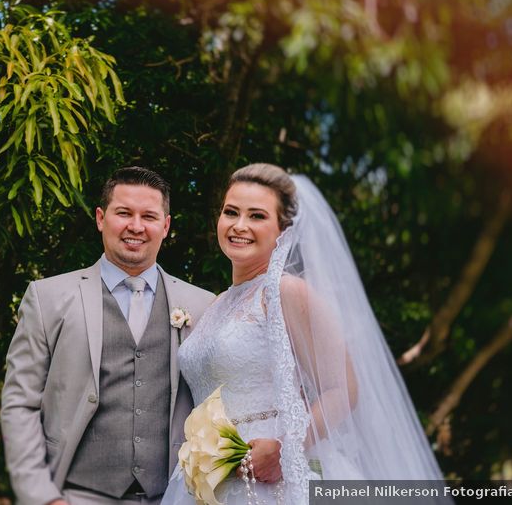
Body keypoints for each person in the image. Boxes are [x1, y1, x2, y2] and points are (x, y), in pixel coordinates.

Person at [162, 163, 447, 505]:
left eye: (257, 216)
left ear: (284, 229)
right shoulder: (219, 303)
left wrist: (285, 449)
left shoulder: (287, 291)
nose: (239, 226)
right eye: (231, 212)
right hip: (205, 481)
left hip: (270, 480)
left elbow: (342, 388)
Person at [1, 167, 218, 505]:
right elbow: (20, 403)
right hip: (76, 495)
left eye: (148, 216)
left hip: (172, 496)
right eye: (124, 213)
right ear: (101, 218)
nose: (135, 226)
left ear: (166, 226)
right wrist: (42, 497)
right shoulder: (48, 298)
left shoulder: (203, 306)